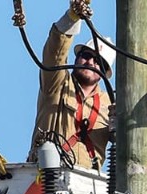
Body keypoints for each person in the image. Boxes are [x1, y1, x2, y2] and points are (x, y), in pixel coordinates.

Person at [25, 3, 116, 170]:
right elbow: (54, 53)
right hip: (46, 174)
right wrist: (71, 18)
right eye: (86, 56)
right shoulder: (57, 83)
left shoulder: (110, 104)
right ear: (76, 58)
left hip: (87, 185)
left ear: (105, 72)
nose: (90, 62)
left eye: (98, 61)